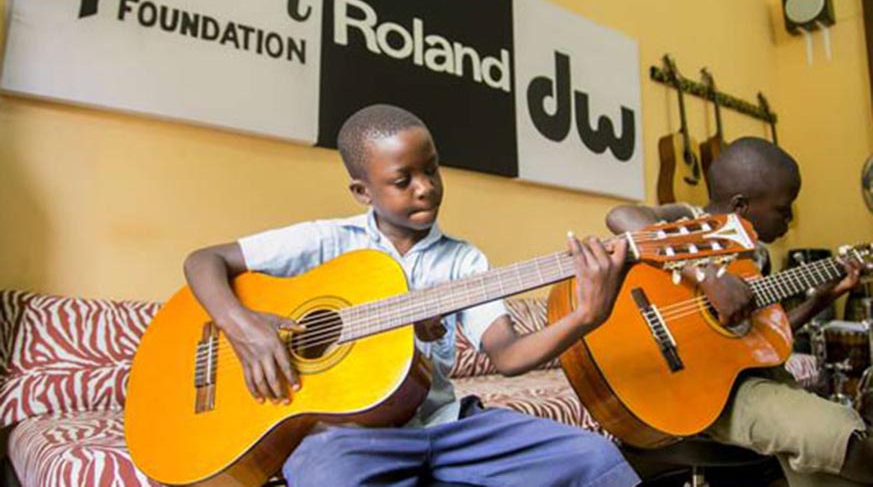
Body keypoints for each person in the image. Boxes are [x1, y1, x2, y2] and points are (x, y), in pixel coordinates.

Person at [183, 104, 640, 487]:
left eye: (432, 169)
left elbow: (508, 356)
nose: (425, 186)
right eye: (404, 180)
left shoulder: (464, 261)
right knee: (329, 474)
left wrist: (584, 316)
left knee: (595, 461)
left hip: (450, 427)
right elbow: (203, 261)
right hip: (348, 438)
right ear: (363, 191)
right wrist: (244, 328)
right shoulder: (325, 241)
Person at [607, 137, 871, 486]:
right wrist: (708, 275)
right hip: (697, 387)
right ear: (741, 206)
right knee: (840, 436)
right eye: (784, 207)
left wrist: (819, 301)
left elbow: (756, 343)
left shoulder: (755, 258)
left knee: (823, 458)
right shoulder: (690, 220)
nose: (790, 220)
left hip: (743, 378)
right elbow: (621, 216)